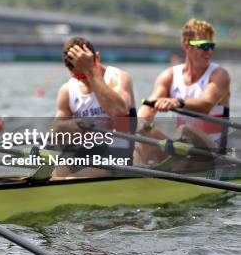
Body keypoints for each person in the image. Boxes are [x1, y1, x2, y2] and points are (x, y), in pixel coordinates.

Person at [136, 19, 230, 165]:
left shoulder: (219, 75)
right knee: (143, 130)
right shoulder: (169, 76)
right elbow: (148, 107)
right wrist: (139, 123)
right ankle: (127, 177)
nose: (209, 51)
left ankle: (174, 168)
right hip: (185, 150)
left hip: (213, 153)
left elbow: (206, 104)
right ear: (186, 45)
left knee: (186, 130)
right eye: (204, 46)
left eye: (212, 46)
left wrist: (178, 102)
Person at [52, 37, 137, 178]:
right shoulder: (67, 90)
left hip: (117, 153)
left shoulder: (118, 78)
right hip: (85, 151)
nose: (85, 79)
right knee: (56, 174)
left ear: (96, 58)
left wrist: (91, 72)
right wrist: (68, 125)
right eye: (80, 75)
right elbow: (55, 131)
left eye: (87, 70)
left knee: (71, 180)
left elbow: (119, 111)